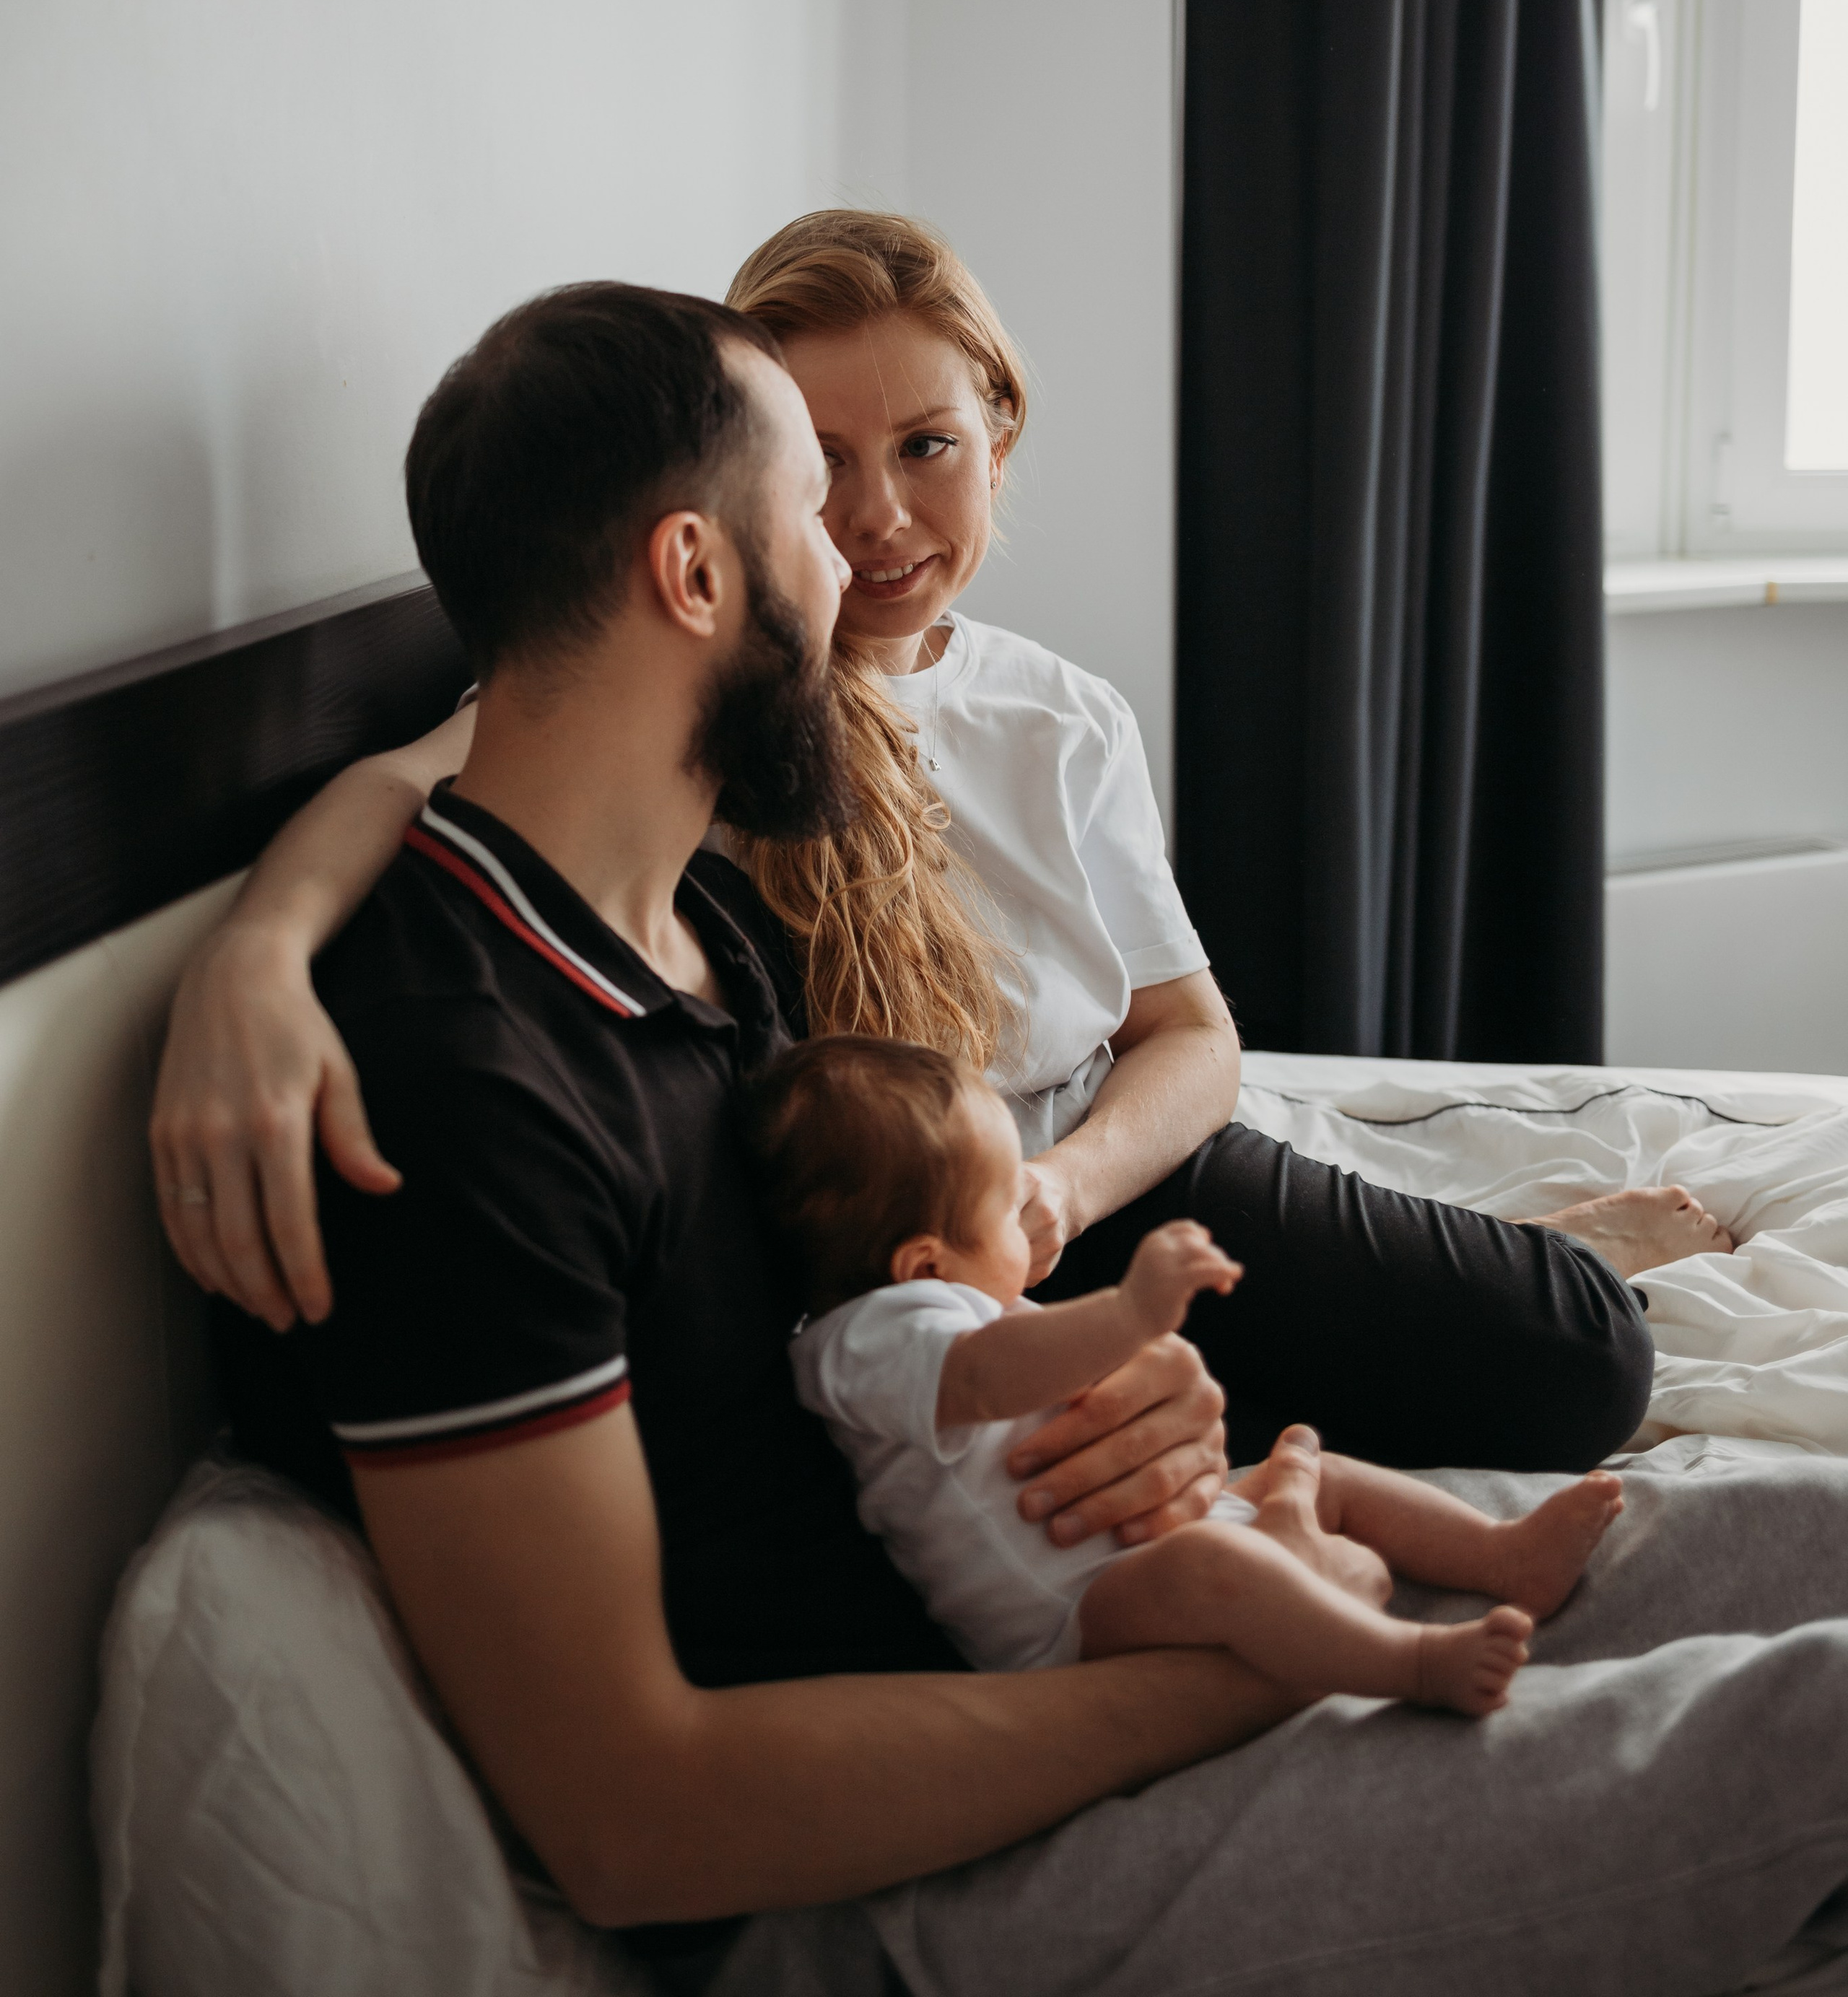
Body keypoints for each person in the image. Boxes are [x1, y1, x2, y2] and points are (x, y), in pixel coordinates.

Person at [154, 213, 1719, 1491]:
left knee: (1575, 1348)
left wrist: (1059, 1187)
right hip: (901, 1231)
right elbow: (411, 775)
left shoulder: (1055, 716)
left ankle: (1506, 1238)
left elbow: (1186, 1035)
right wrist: (256, 951)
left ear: (996, 436)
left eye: (924, 448)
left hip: (1078, 1168)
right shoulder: (711, 699)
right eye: (815, 463)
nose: (872, 517)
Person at [210, 279, 1293, 1952]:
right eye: (807, 502)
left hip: (1013, 1654)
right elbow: (637, 1817)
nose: (853, 558)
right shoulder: (458, 1096)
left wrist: (1069, 1403)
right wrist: (1208, 1689)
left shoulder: (708, 946)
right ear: (694, 568)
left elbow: (871, 1344)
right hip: (902, 1874)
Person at [757, 1032, 1626, 1714]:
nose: (1029, 1226)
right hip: (1077, 1620)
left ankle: (1502, 1556)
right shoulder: (864, 1340)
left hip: (1153, 1535)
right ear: (923, 1263)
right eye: (1001, 1211)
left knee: (1318, 1470)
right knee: (1210, 1569)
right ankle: (1413, 1662)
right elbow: (991, 1376)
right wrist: (1130, 1311)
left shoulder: (945, 1303)